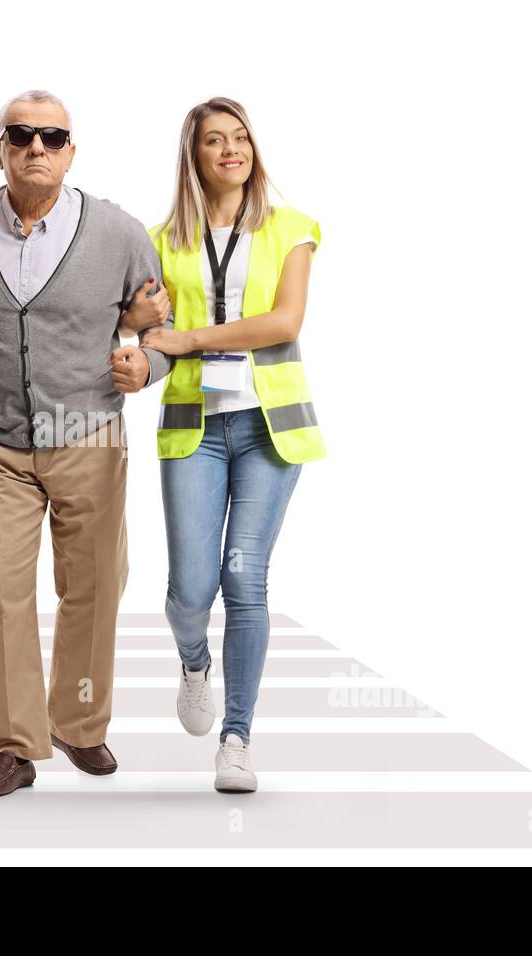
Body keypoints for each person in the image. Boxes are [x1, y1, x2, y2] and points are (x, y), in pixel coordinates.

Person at [0, 90, 174, 797]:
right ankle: (13, 746)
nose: (36, 147)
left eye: (52, 136)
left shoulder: (119, 233)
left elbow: (160, 327)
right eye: (19, 135)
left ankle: (80, 724)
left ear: (71, 152)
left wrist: (149, 363)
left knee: (92, 587)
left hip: (88, 434)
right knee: (4, 586)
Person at [120, 96, 326, 793]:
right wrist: (147, 348)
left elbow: (283, 321)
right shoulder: (158, 241)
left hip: (270, 428)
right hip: (195, 429)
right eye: (215, 140)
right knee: (190, 588)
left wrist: (190, 338)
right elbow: (149, 334)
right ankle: (192, 660)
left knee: (244, 579)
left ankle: (237, 737)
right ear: (195, 155)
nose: (231, 149)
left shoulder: (293, 228)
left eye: (240, 138)